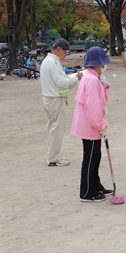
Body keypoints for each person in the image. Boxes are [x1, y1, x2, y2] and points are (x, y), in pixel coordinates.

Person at [70, 47, 113, 202]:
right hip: (90, 126)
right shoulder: (92, 80)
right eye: (102, 64)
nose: (104, 66)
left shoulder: (93, 77)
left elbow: (101, 100)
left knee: (95, 156)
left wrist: (106, 87)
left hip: (90, 125)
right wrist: (101, 125)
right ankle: (87, 192)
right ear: (97, 64)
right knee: (90, 159)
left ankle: (96, 186)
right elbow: (93, 108)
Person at [40, 38, 83, 167]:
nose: (65, 55)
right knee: (57, 129)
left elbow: (60, 80)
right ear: (58, 49)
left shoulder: (50, 61)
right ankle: (53, 158)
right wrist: (76, 77)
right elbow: (61, 82)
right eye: (65, 52)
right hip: (55, 99)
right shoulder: (52, 62)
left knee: (53, 128)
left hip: (51, 98)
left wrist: (73, 78)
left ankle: (54, 155)